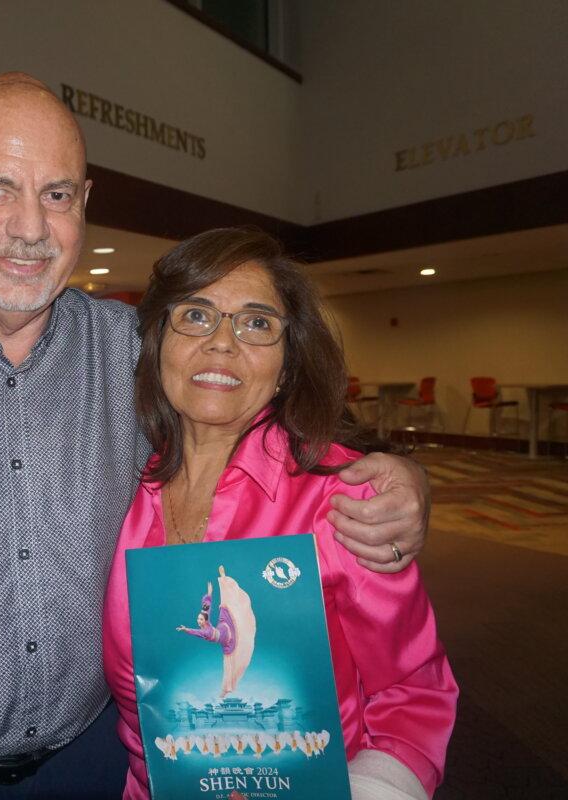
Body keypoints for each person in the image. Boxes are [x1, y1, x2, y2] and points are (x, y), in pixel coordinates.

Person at [0, 73, 433, 800]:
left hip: (100, 767)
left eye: (56, 195)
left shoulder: (138, 353)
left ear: (83, 204)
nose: (30, 228)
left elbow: (255, 412)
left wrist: (399, 480)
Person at [102, 228, 457, 800]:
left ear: (288, 365)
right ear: (157, 342)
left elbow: (413, 692)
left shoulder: (341, 498)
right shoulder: (119, 487)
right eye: (195, 315)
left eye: (256, 323)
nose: (222, 343)